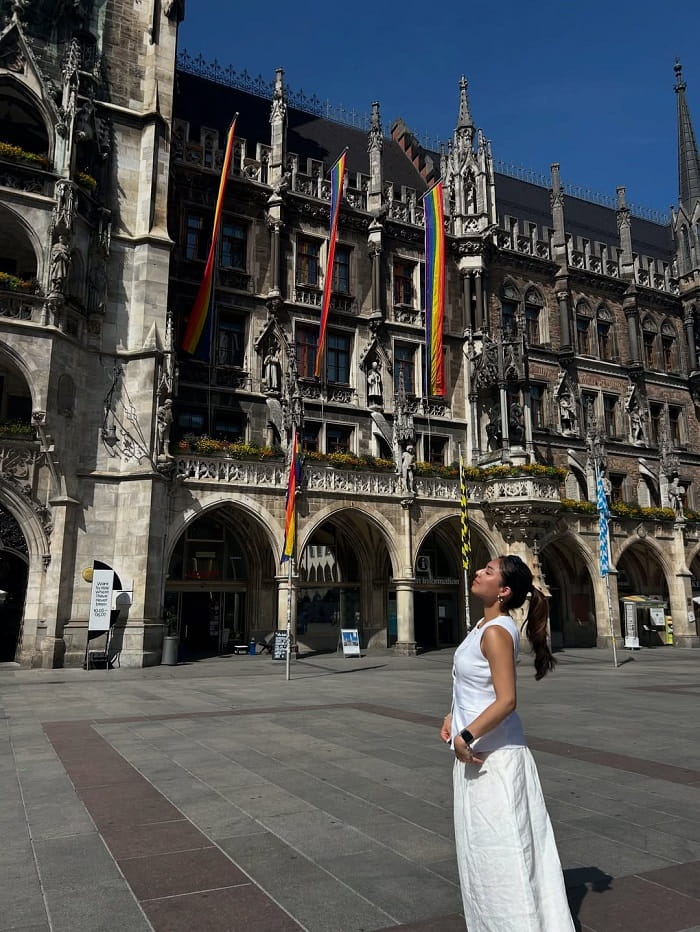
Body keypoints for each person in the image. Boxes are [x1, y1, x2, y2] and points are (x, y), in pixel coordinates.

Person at [440, 555, 574, 931]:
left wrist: (468, 735)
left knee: (505, 854)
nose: (478, 572)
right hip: (478, 756)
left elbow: (506, 699)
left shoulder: (497, 630)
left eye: (488, 571)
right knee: (481, 854)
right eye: (482, 567)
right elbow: (472, 687)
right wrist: (454, 717)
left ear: (503, 591)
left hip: (494, 759)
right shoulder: (482, 626)